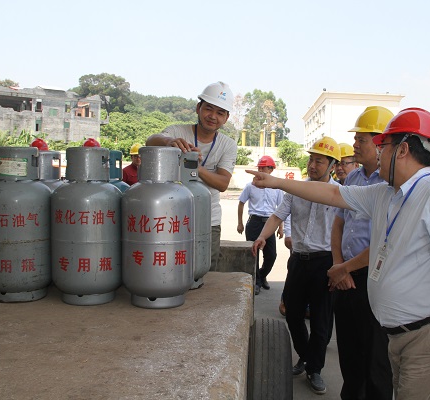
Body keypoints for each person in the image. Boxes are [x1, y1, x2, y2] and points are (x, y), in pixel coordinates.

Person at [248, 108, 430, 400]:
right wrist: (277, 182)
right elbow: (334, 194)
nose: (378, 153)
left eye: (384, 146)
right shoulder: (386, 194)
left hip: (426, 336)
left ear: (403, 150)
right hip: (399, 334)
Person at [251, 137, 341, 395]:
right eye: (311, 159)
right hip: (299, 260)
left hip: (325, 262)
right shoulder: (296, 190)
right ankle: (306, 356)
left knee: (321, 320)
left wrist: (340, 265)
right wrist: (263, 236)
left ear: (332, 166)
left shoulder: (339, 194)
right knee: (292, 313)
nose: (312, 165)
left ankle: (315, 370)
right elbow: (277, 215)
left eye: (319, 161)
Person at [329, 106, 394, 400]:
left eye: (361, 139)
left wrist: (346, 268)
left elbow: (385, 242)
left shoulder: (390, 184)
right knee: (349, 352)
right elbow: (339, 224)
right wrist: (338, 264)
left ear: (380, 143)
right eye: (356, 138)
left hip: (374, 277)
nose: (354, 144)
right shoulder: (353, 179)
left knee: (376, 359)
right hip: (344, 275)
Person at [146, 82, 237, 269]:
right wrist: (169, 141)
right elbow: (150, 141)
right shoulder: (177, 131)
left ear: (226, 118)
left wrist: (195, 166)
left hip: (208, 220)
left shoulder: (228, 145)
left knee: (205, 270)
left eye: (220, 113)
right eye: (208, 109)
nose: (213, 116)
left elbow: (223, 183)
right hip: (172, 217)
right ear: (198, 108)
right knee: (169, 268)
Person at [237, 155, 284, 295]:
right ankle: (256, 282)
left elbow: (281, 208)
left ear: (271, 169)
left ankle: (262, 275)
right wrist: (240, 223)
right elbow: (241, 203)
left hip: (270, 223)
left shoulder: (277, 188)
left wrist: (280, 227)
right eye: (260, 168)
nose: (261, 170)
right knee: (254, 254)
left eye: (264, 168)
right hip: (254, 222)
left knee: (271, 255)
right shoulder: (250, 186)